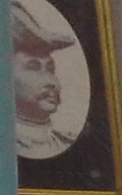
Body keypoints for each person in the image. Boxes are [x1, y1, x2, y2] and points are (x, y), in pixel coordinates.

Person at [11, 0, 79, 161]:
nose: (52, 82)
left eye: (50, 69)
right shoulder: (1, 148)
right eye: (33, 67)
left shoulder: (64, 143)